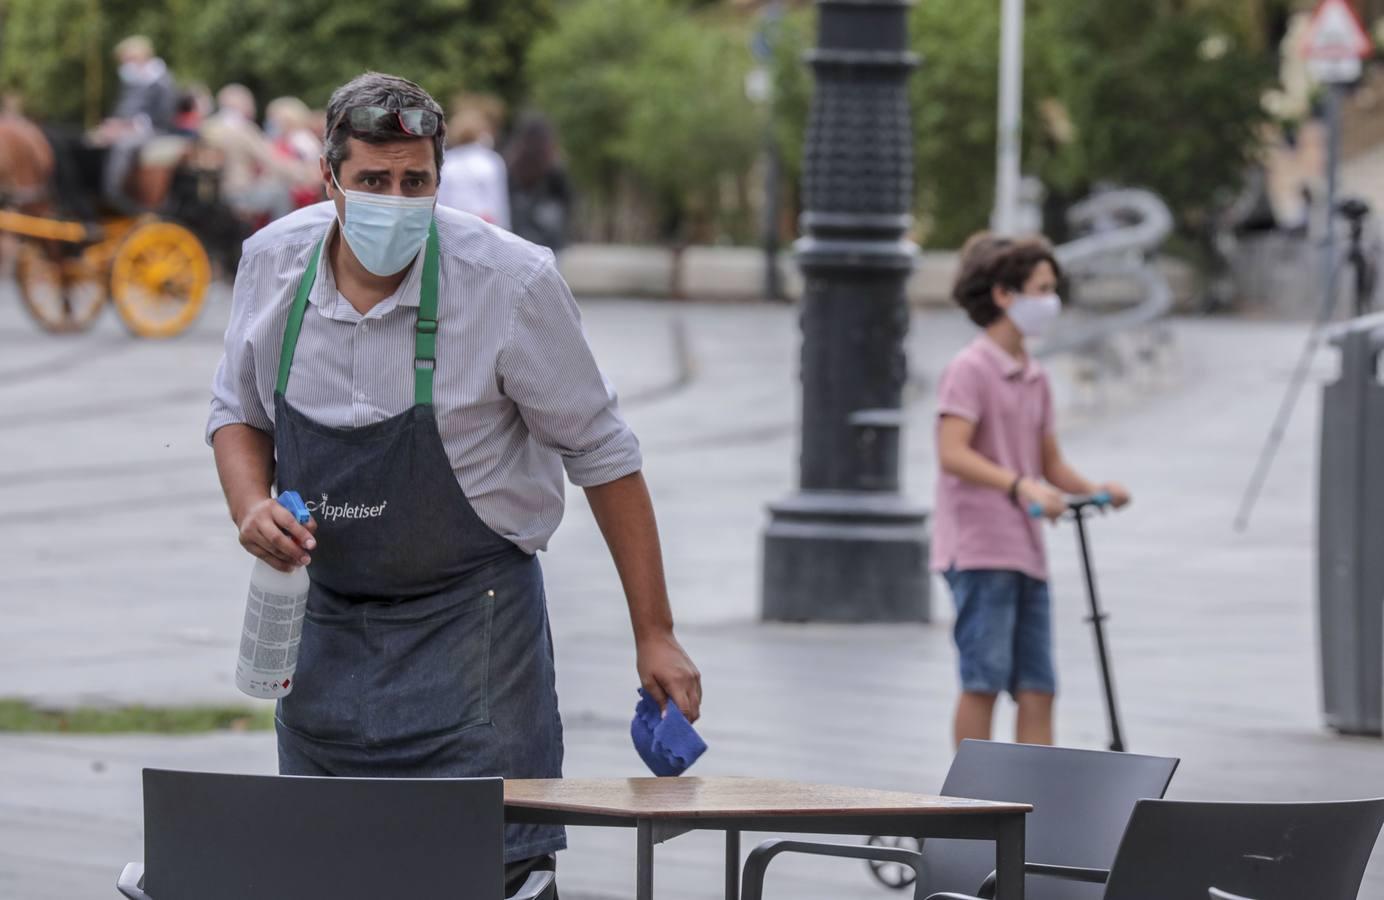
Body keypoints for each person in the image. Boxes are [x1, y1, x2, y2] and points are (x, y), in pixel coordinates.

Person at [206, 72, 701, 893]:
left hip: (477, 646)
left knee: (485, 874)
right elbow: (238, 410)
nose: (395, 201)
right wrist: (250, 504)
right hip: (324, 638)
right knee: (328, 869)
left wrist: (655, 632)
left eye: (415, 182)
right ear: (329, 180)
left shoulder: (512, 283)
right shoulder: (273, 266)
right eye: (372, 181)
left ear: (439, 178)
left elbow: (606, 457)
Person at [931, 233, 1130, 748]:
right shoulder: (970, 369)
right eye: (1041, 288)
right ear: (1004, 294)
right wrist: (1021, 487)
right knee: (984, 682)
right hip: (979, 550)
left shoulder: (1035, 377)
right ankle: (968, 811)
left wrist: (1095, 490)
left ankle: (1030, 809)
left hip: (1026, 551)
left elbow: (1050, 462)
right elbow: (952, 452)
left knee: (1038, 688)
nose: (1051, 301)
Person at [201, 84, 311, 224]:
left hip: (211, 195)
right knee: (280, 192)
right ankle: (281, 238)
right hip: (237, 194)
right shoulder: (243, 129)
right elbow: (272, 160)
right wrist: (302, 174)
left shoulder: (208, 126)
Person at [436, 95, 510, 227]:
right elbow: (499, 202)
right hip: (485, 224)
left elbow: (442, 201)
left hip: (454, 224)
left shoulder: (447, 162)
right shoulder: (491, 161)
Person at [506, 112, 572, 253]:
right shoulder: (554, 165)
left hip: (519, 234)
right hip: (549, 237)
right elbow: (566, 199)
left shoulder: (512, 163)